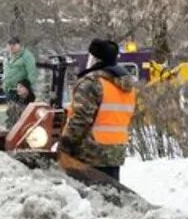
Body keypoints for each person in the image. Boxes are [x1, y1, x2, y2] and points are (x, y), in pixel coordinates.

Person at [59, 38, 137, 182]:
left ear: (95, 59)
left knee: (91, 199)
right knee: (111, 195)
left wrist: (64, 145)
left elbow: (80, 121)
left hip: (91, 152)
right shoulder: (127, 86)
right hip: (116, 151)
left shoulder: (91, 84)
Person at [1, 36, 37, 101]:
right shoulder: (7, 57)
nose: (11, 46)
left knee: (23, 110)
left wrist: (27, 88)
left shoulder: (26, 56)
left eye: (14, 44)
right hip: (9, 91)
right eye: (9, 44)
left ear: (19, 45)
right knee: (12, 110)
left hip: (22, 93)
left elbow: (32, 73)